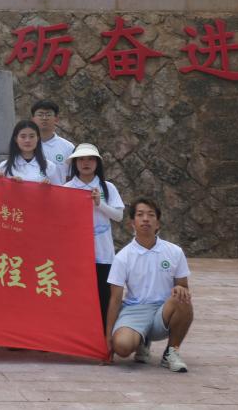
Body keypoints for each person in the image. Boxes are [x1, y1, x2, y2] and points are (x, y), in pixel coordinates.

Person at [106, 198, 193, 373]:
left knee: (182, 298)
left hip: (163, 311)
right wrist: (108, 339)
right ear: (132, 223)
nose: (145, 219)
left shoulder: (174, 251)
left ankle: (172, 352)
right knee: (122, 347)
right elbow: (115, 299)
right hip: (134, 311)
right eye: (140, 215)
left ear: (158, 223)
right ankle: (142, 341)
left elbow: (183, 286)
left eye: (151, 215)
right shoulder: (122, 257)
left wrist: (180, 289)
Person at [64, 143, 124, 329]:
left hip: (103, 254)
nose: (86, 163)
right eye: (81, 159)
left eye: (90, 159)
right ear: (75, 163)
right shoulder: (67, 188)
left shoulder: (107, 187)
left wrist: (100, 204)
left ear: (97, 163)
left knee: (104, 297)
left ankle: (104, 337)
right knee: (77, 298)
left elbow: (118, 216)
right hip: (75, 256)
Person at [0, 120, 63, 185]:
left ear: (38, 138)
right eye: (23, 137)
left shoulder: (49, 166)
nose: (27, 140)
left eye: (32, 136)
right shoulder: (4, 166)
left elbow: (58, 192)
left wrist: (47, 188)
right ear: (16, 139)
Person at [31, 99, 75, 179]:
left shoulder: (68, 147)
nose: (44, 118)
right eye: (40, 115)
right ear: (33, 119)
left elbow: (72, 177)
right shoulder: (26, 145)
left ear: (56, 119)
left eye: (48, 115)